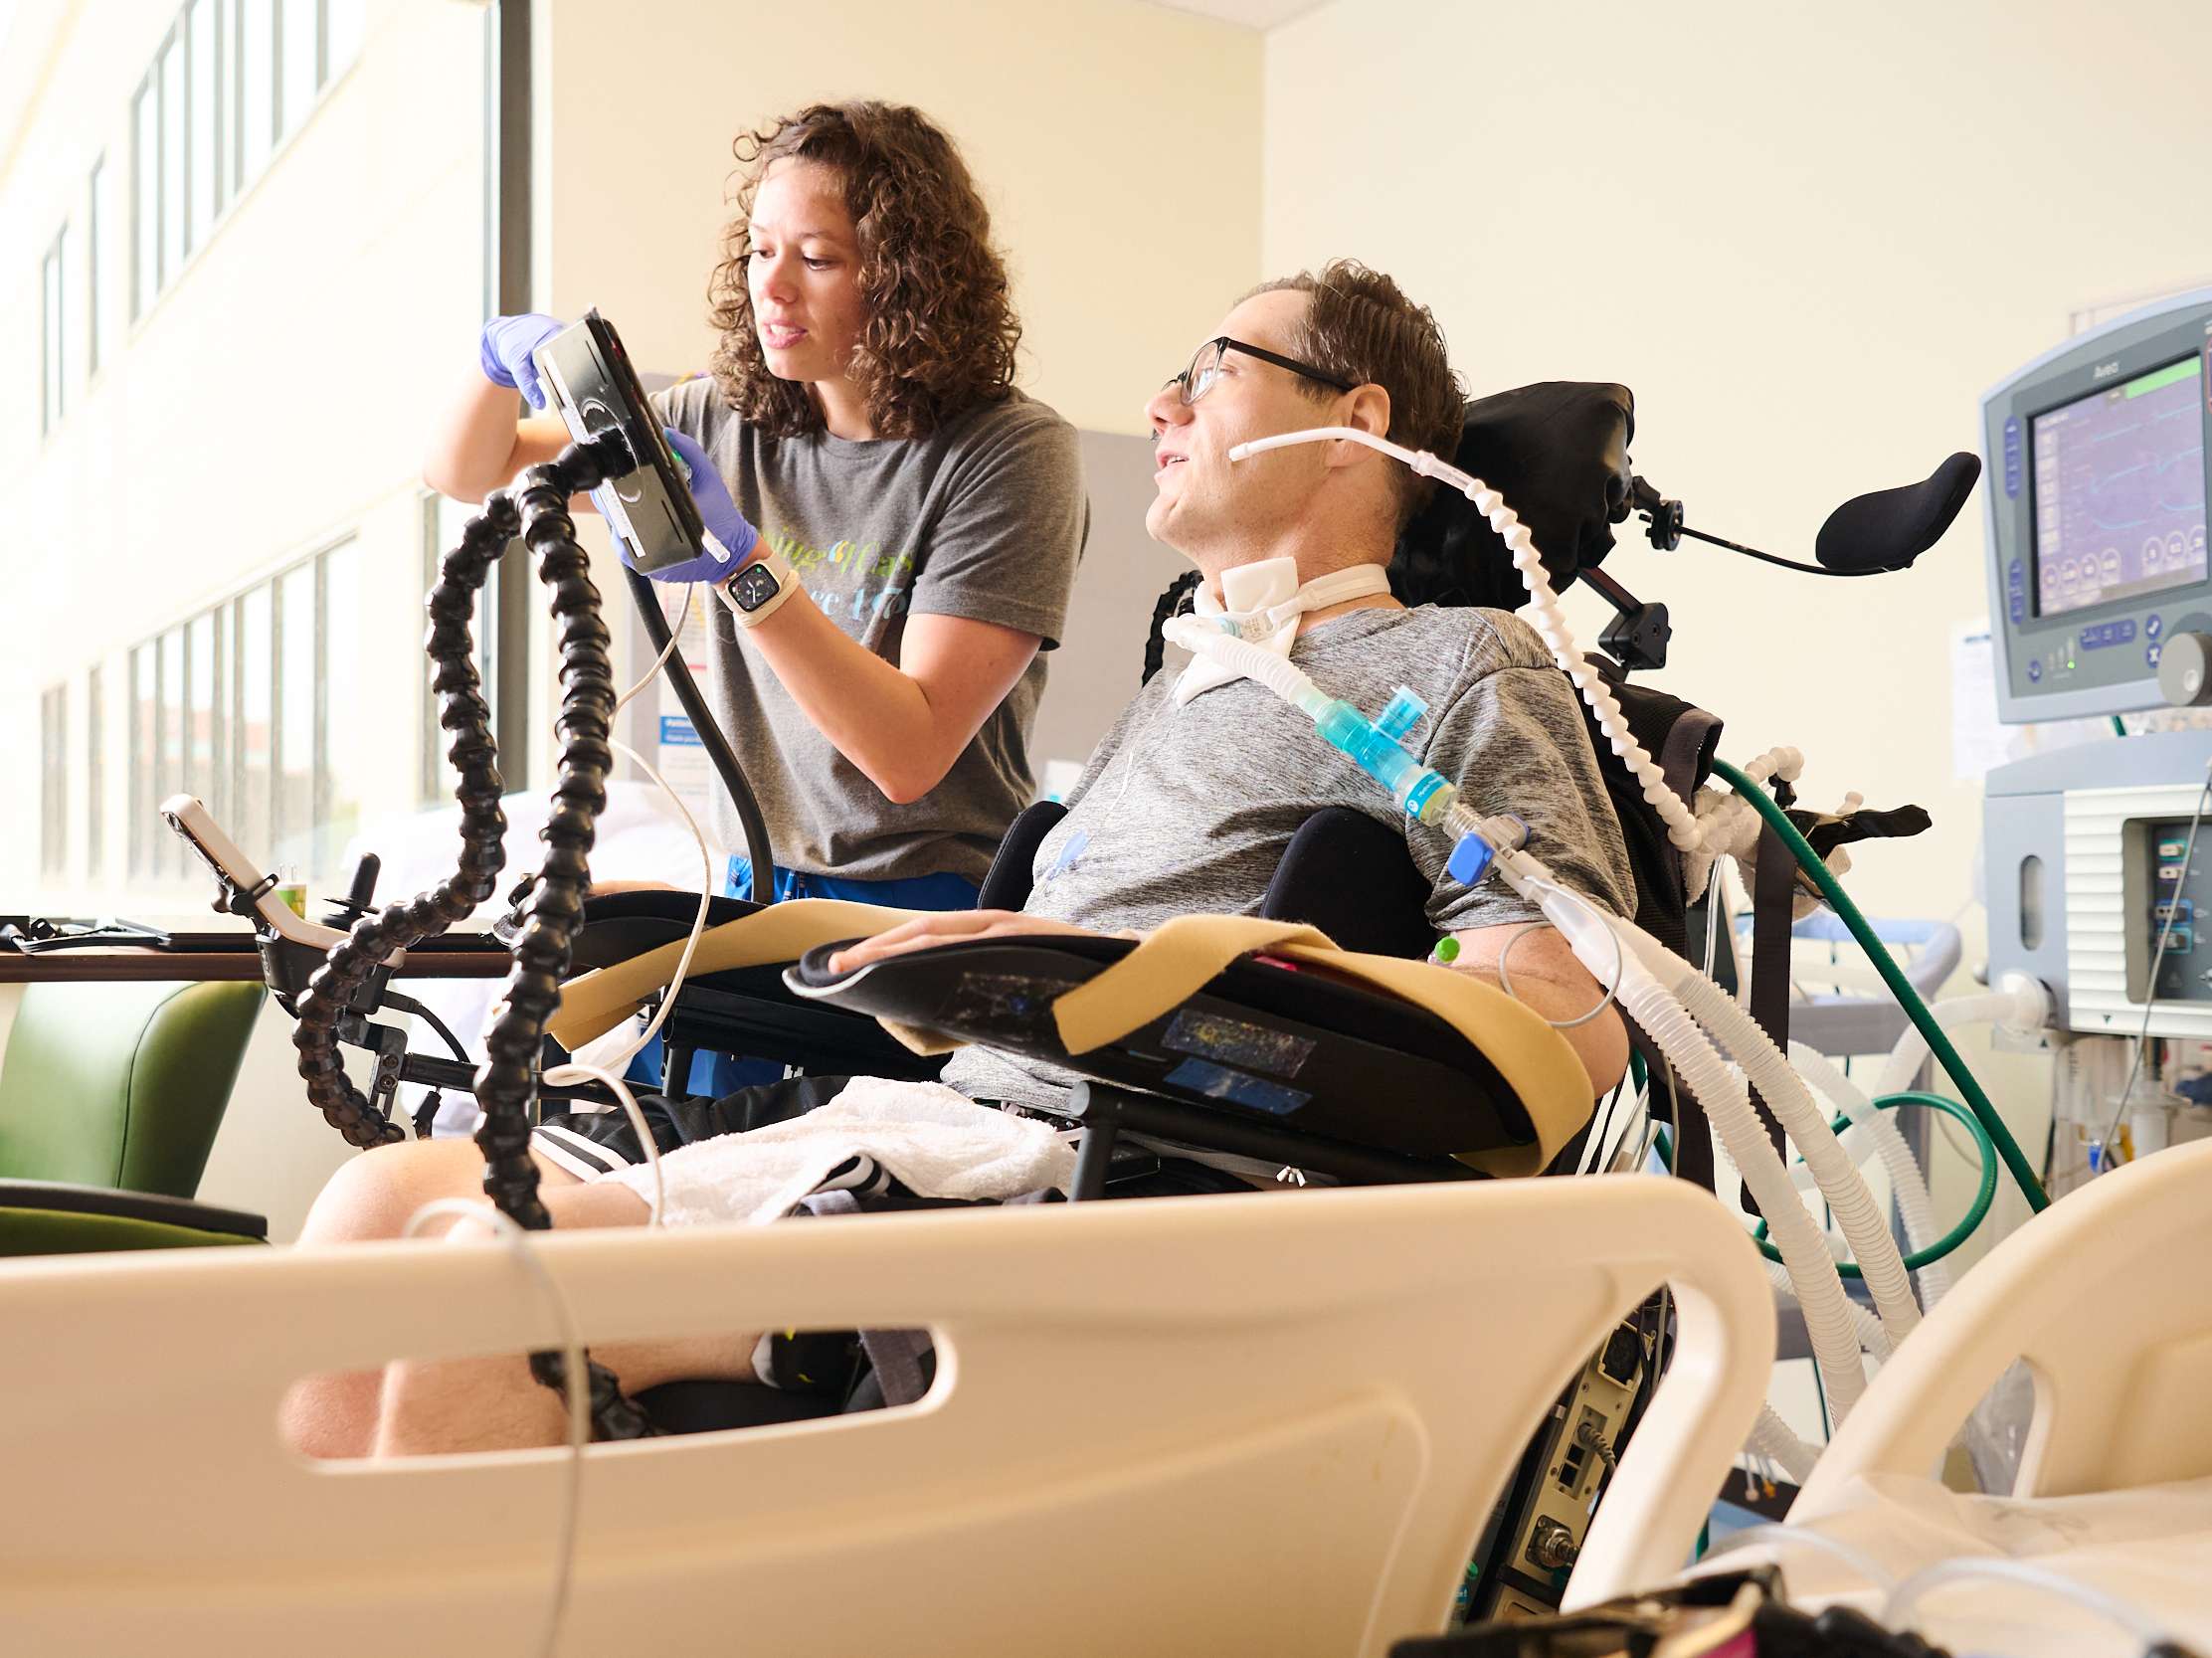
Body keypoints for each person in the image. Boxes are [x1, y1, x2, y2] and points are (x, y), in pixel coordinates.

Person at [292, 261, 1639, 1459]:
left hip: (1100, 1164)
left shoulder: (1456, 663)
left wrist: (1125, 972)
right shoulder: (1187, 681)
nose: (1163, 409)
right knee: (381, 1203)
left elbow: (1566, 1018)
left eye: (1213, 372)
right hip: (937, 1118)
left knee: (481, 1289)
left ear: (1355, 417)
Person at [426, 100, 1085, 919]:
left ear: (907, 276)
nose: (771, 285)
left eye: (816, 258)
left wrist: (745, 567)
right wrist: (495, 358)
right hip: (759, 879)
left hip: (926, 902)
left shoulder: (1010, 452)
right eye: (761, 250)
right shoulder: (718, 421)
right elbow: (468, 471)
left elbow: (907, 753)